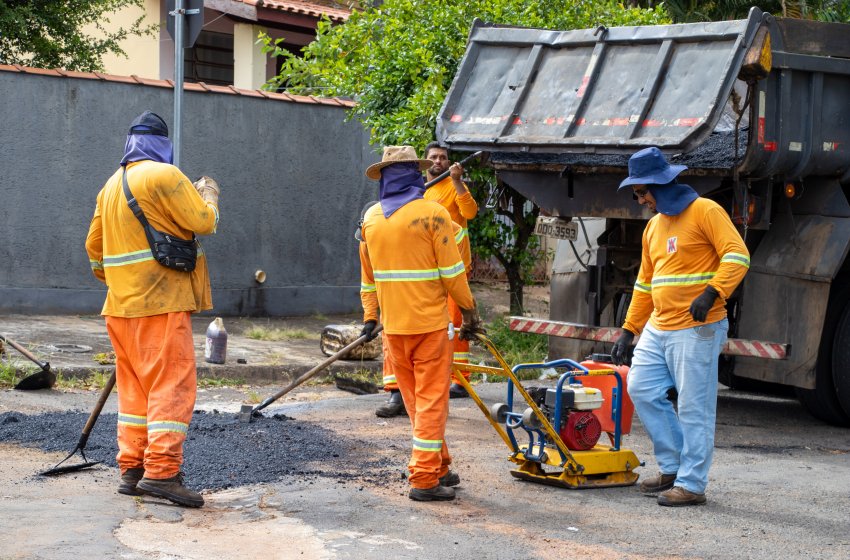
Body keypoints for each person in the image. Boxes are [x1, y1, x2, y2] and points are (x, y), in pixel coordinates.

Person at [85, 111, 220, 508]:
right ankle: (162, 472)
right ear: (163, 144)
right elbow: (203, 222)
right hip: (160, 303)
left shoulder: (111, 185)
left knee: (135, 392)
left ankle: (132, 470)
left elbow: (94, 249)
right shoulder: (166, 175)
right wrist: (209, 194)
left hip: (120, 309)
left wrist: (119, 282)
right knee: (170, 387)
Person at [610, 147, 749, 507]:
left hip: (699, 327)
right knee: (640, 387)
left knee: (694, 405)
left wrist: (712, 293)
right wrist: (628, 329)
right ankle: (672, 468)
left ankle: (691, 483)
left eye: (642, 192)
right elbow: (644, 283)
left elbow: (737, 255)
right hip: (659, 326)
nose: (640, 200)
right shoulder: (654, 227)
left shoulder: (705, 211)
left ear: (660, 184)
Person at [359, 145, 484, 501]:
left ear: (384, 177)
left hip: (393, 331)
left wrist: (370, 317)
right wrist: (470, 312)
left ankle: (438, 465)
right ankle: (425, 478)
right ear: (415, 173)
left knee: (416, 402)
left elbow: (368, 281)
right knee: (431, 402)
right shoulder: (434, 214)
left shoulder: (369, 220)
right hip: (429, 327)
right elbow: (453, 274)